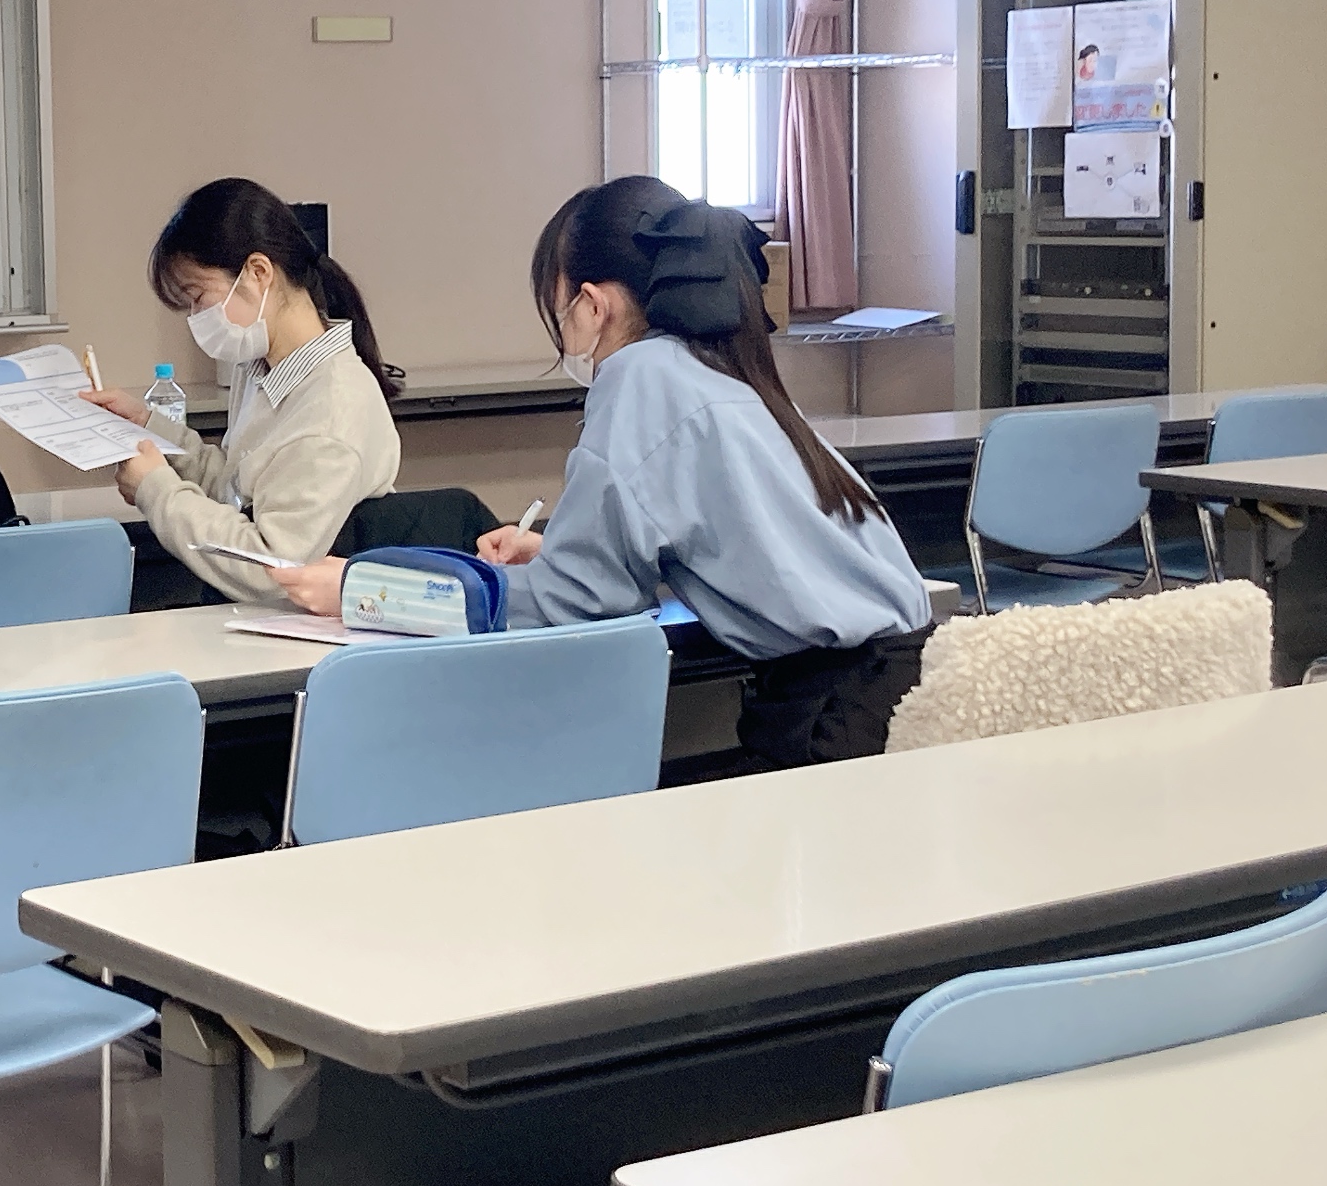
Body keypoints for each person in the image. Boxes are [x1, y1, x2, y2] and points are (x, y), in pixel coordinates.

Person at [271, 176, 932, 771]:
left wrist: (367, 591)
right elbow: (699, 540)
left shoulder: (640, 375)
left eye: (558, 309)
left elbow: (573, 603)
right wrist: (559, 548)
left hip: (833, 709)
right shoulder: (717, 367)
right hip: (890, 676)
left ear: (592, 304)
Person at [81, 178, 401, 605]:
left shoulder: (331, 410)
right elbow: (236, 489)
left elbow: (272, 567)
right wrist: (149, 428)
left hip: (294, 624)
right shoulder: (265, 368)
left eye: (198, 297)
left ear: (258, 272)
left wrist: (156, 488)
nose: (195, 316)